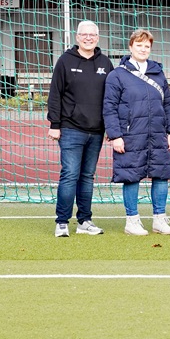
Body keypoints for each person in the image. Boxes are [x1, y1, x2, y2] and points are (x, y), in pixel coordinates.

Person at [103, 29, 170, 236]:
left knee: (161, 175)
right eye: (139, 45)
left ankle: (159, 220)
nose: (143, 49)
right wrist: (115, 135)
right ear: (130, 47)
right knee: (131, 176)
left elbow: (168, 104)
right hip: (130, 135)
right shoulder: (116, 75)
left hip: (156, 133)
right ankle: (132, 221)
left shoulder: (158, 73)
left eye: (147, 46)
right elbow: (109, 107)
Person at [46, 20, 114, 237]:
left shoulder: (105, 63)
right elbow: (55, 95)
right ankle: (62, 222)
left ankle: (85, 220)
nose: (88, 38)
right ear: (77, 37)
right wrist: (54, 124)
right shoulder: (65, 61)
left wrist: (111, 129)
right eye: (84, 34)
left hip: (96, 132)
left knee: (87, 176)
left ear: (98, 37)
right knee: (69, 174)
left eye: (92, 34)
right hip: (70, 129)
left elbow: (111, 99)